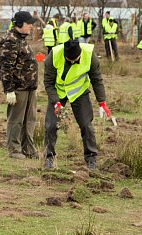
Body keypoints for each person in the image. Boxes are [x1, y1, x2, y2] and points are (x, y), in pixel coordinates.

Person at [43, 39, 111, 170]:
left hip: (79, 91)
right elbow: (48, 83)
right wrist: (56, 102)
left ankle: (91, 159)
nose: (73, 62)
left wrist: (102, 102)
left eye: (76, 60)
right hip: (58, 92)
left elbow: (96, 79)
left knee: (86, 125)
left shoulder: (90, 55)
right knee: (51, 125)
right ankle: (48, 158)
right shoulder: (53, 56)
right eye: (70, 60)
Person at [0, 11, 38, 159]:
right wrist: (9, 90)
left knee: (30, 120)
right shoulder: (10, 40)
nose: (31, 27)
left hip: (29, 87)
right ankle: (14, 149)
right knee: (16, 120)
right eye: (29, 24)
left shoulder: (21, 39)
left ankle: (28, 149)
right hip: (18, 88)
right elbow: (5, 67)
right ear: (20, 24)